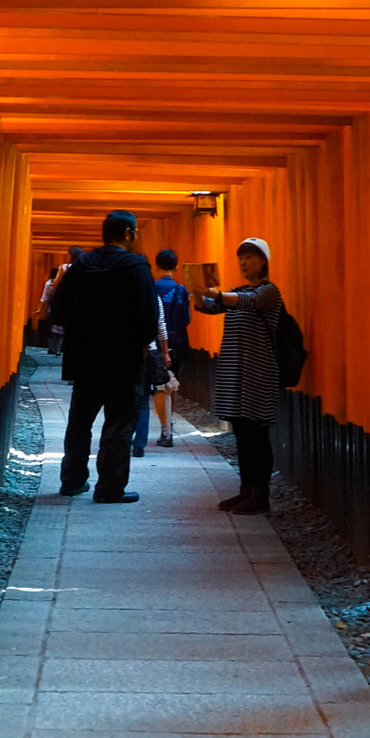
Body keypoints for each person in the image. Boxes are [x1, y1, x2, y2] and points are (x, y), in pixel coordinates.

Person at [44, 213, 157, 503]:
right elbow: (148, 314)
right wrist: (142, 344)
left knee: (80, 420)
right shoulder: (137, 267)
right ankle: (109, 488)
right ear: (129, 233)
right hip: (124, 360)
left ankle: (71, 480)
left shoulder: (82, 265)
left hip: (85, 358)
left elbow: (58, 307)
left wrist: (79, 333)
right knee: (119, 423)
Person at [192, 236, 283, 513]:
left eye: (251, 257)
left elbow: (246, 301)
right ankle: (245, 490)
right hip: (235, 373)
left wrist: (216, 294)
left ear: (264, 261)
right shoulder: (237, 291)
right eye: (241, 258)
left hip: (258, 373)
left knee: (257, 434)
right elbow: (210, 307)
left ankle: (260, 494)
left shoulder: (269, 292)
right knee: (242, 433)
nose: (244, 263)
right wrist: (197, 290)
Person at [134, 248, 191, 453]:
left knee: (158, 388)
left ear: (157, 267)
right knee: (170, 386)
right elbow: (186, 318)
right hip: (179, 343)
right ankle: (168, 425)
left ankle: (165, 429)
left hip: (156, 345)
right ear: (176, 266)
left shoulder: (152, 288)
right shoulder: (182, 290)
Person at [41, 247, 82, 355]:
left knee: (58, 324)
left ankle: (56, 348)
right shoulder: (84, 268)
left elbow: (55, 284)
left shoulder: (64, 268)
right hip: (78, 300)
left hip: (63, 298)